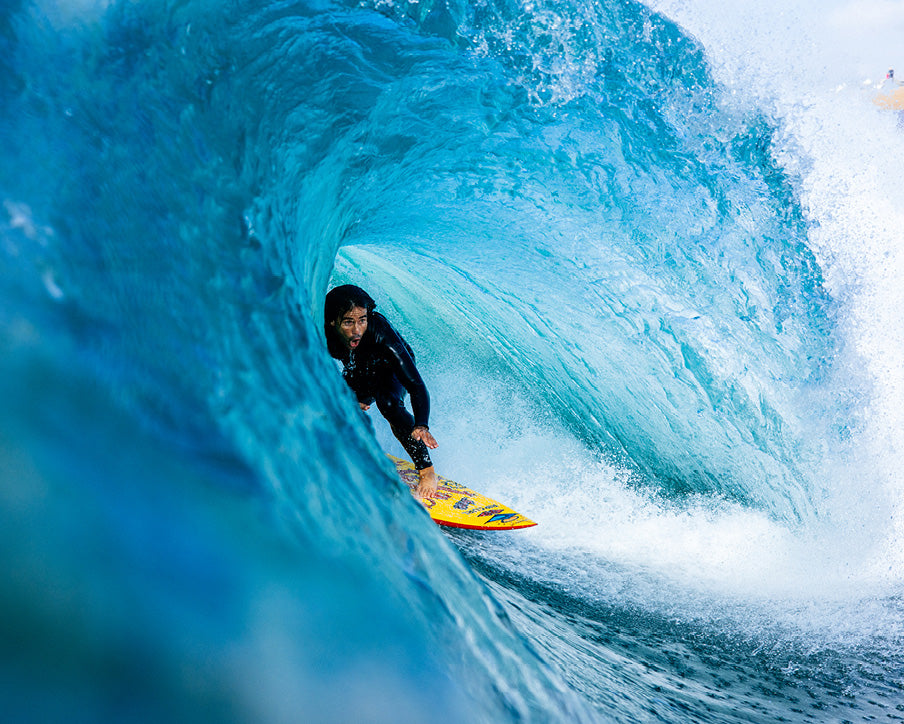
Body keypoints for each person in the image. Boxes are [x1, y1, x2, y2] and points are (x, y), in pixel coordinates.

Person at [324, 284, 440, 498]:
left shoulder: (380, 333)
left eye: (362, 320)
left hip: (390, 367)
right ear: (333, 321)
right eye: (349, 322)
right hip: (359, 367)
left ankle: (427, 471)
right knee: (337, 402)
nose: (357, 329)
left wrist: (422, 424)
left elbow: (416, 385)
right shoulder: (325, 333)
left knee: (389, 404)